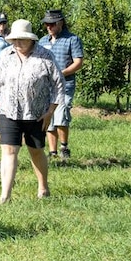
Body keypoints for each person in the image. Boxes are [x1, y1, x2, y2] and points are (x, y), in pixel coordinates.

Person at [0, 19, 63, 204]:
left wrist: (50, 112)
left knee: (35, 150)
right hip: (8, 110)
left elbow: (58, 85)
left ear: (31, 39)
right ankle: (5, 195)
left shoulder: (45, 56)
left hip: (36, 113)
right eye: (15, 39)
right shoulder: (5, 55)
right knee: (9, 150)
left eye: (22, 39)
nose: (18, 43)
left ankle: (43, 187)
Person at [38, 9, 84, 162]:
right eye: (46, 24)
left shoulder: (72, 39)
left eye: (52, 24)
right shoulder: (43, 41)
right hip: (46, 86)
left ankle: (64, 147)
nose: (48, 27)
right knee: (49, 119)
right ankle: (52, 151)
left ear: (60, 23)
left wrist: (60, 73)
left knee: (61, 116)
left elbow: (78, 63)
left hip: (65, 85)